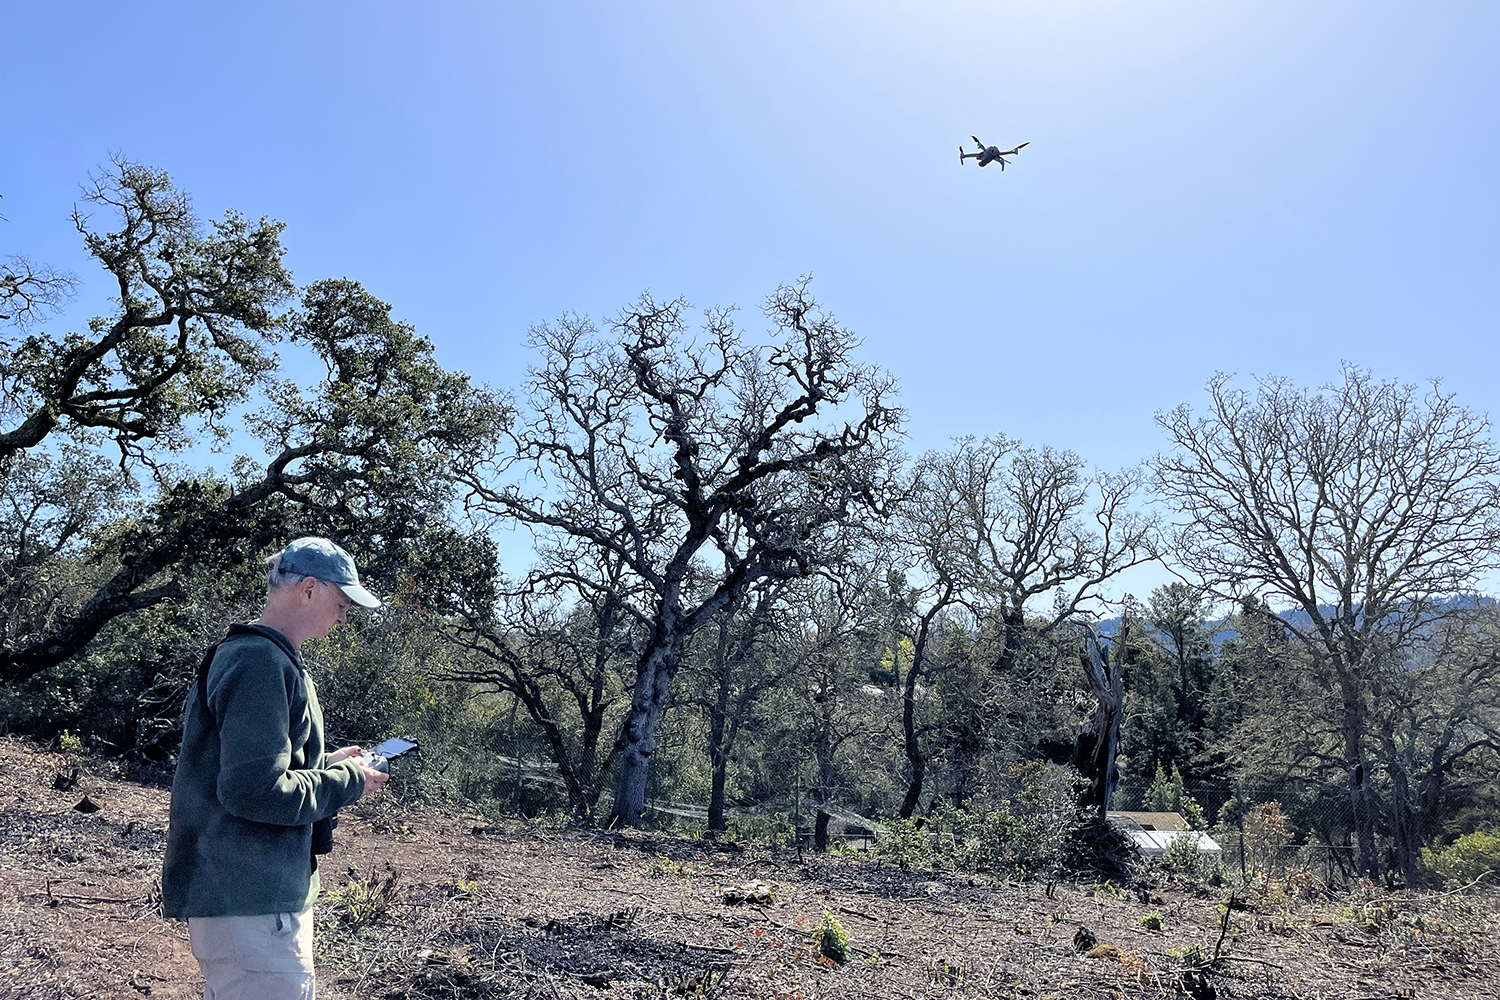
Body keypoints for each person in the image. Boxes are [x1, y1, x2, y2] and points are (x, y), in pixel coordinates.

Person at [162, 536, 389, 999]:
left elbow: (253, 767)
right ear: (309, 589)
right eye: (343, 601)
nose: (345, 616)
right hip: (252, 905)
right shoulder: (260, 661)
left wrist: (325, 764)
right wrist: (348, 781)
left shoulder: (263, 657)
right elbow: (252, 790)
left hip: (251, 903)